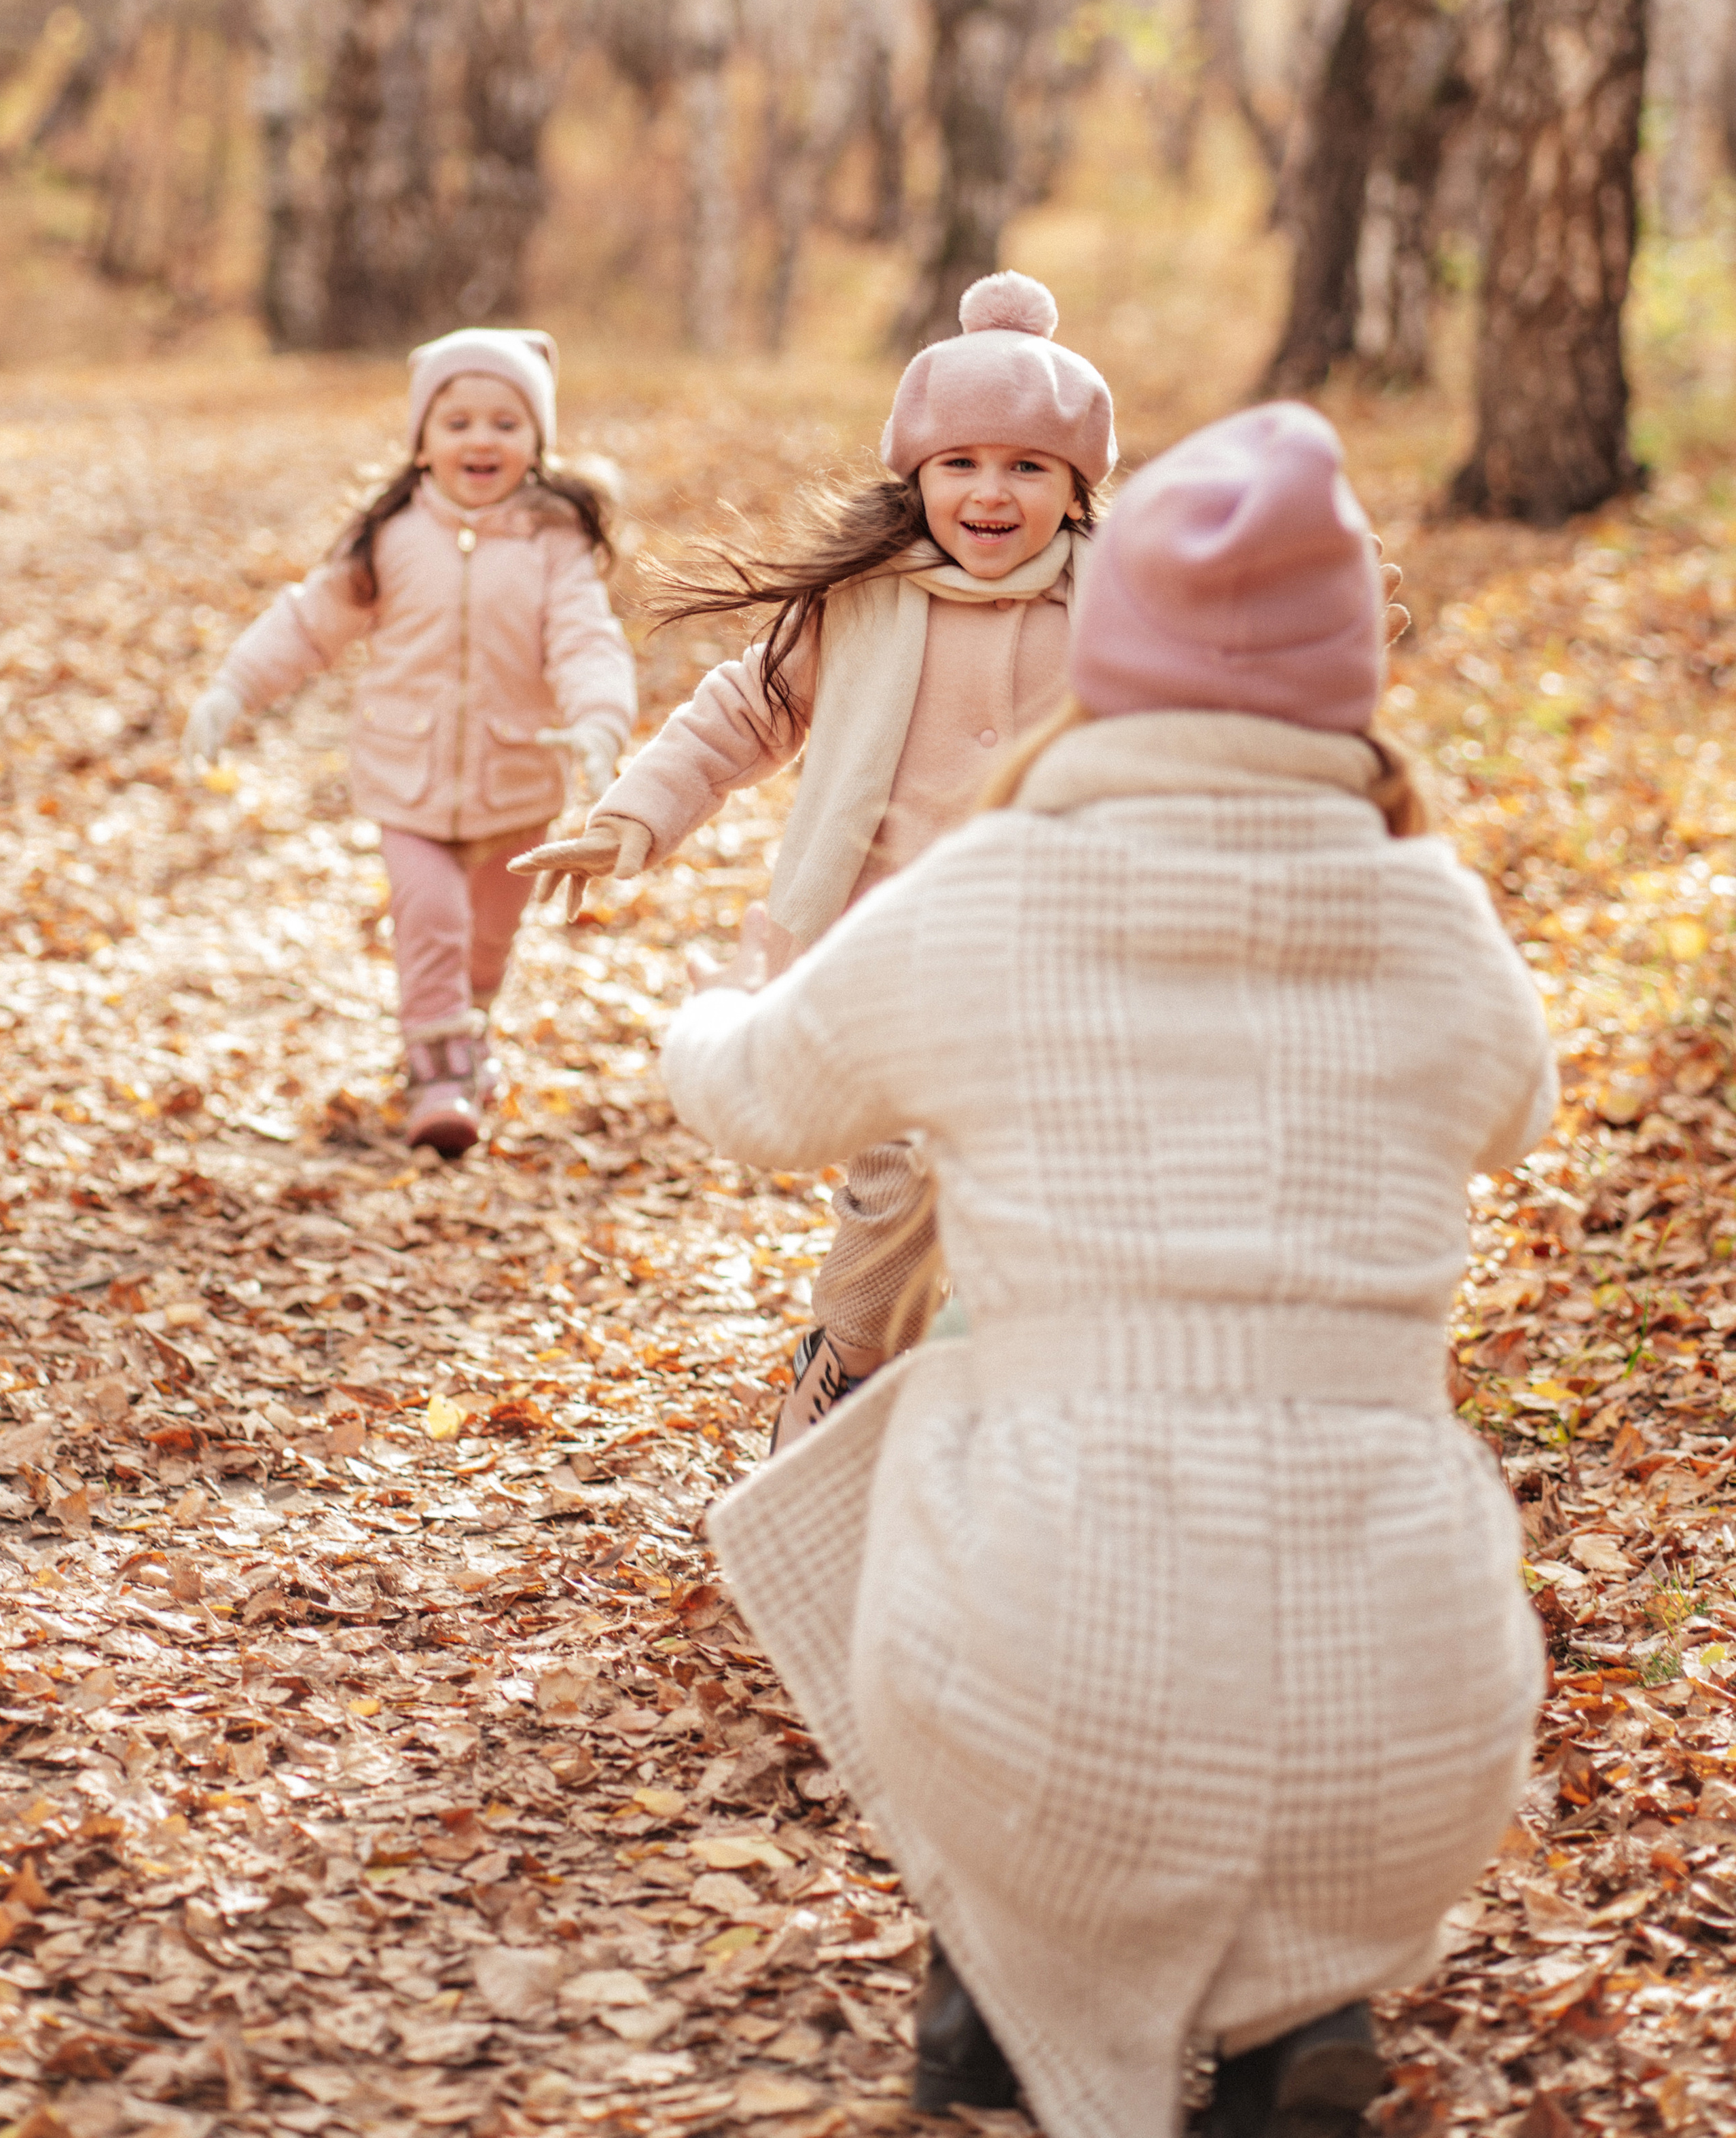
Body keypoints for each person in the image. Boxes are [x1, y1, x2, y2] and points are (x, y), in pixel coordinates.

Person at [657, 401, 1554, 2138]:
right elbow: (1513, 1108)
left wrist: (702, 1002)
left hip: (1058, 1648)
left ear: (1105, 644)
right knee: (1269, 1630)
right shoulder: (1425, 910)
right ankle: (1301, 1999)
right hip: (1414, 1694)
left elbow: (759, 1096)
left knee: (910, 1447)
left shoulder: (999, 888)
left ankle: (992, 1968)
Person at [513, 270, 1116, 1443]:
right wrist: (634, 815)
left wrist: (1339, 627)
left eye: (1028, 468)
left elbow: (1242, 681)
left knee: (1042, 1211)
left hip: (1066, 970)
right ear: (919, 475)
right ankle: (843, 1384)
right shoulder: (861, 603)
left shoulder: (1126, 605)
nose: (992, 493)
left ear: (1076, 485)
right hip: (883, 962)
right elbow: (743, 712)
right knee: (895, 1203)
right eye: (963, 464)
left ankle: (1002, 1425)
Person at [182, 328, 636, 1157]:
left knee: (490, 940)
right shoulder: (387, 536)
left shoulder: (554, 543)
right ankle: (438, 1073)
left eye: (506, 422)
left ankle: (470, 1034)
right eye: (457, 421)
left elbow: (585, 640)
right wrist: (232, 690)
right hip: (408, 780)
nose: (481, 440)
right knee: (429, 917)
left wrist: (600, 721)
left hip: (520, 777)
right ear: (422, 442)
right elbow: (308, 623)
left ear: (537, 442)